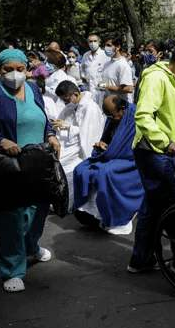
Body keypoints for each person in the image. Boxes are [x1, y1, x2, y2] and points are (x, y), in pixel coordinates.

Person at [0, 48, 61, 292]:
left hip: (37, 163)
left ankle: (31, 247)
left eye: (20, 69)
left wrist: (51, 134)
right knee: (10, 217)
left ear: (27, 69)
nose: (14, 74)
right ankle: (12, 269)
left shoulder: (34, 88)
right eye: (8, 70)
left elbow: (43, 117)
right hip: (6, 166)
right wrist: (0, 140)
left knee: (38, 209)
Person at [128, 41, 175, 273]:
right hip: (152, 150)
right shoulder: (155, 78)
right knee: (173, 204)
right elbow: (143, 115)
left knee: (152, 207)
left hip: (165, 150)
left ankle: (140, 260)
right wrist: (164, 141)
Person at [73, 95, 144, 235]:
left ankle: (117, 217)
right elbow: (107, 139)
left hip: (130, 159)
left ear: (122, 109)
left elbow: (133, 147)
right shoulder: (113, 118)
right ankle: (88, 212)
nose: (111, 119)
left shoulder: (136, 116)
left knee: (105, 173)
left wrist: (110, 151)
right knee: (80, 169)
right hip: (110, 155)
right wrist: (101, 145)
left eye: (113, 115)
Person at [52, 80, 105, 211]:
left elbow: (88, 135)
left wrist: (67, 126)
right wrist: (60, 125)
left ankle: (67, 202)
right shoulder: (71, 105)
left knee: (63, 164)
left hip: (81, 147)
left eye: (66, 99)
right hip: (68, 142)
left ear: (75, 94)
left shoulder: (90, 108)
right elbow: (65, 122)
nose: (65, 103)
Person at [43, 50, 77, 120]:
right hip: (50, 107)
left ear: (55, 64)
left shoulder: (60, 75)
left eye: (48, 62)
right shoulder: (52, 75)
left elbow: (56, 92)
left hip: (58, 109)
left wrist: (43, 87)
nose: (45, 64)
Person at [100, 37, 134, 103]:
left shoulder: (122, 65)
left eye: (109, 45)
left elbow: (129, 88)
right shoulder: (107, 64)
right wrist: (101, 86)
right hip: (110, 105)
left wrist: (107, 87)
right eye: (105, 45)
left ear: (118, 47)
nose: (106, 48)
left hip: (121, 107)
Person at [81, 34, 111, 106]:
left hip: (102, 90)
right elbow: (82, 70)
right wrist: (84, 78)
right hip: (89, 89)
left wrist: (103, 87)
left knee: (102, 111)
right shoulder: (86, 55)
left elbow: (109, 73)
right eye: (90, 41)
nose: (93, 43)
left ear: (99, 42)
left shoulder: (105, 55)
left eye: (95, 41)